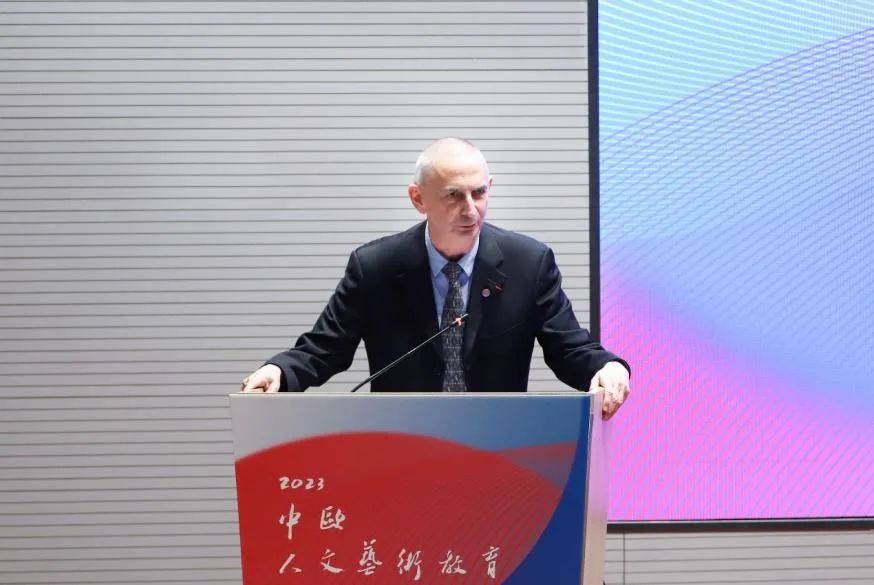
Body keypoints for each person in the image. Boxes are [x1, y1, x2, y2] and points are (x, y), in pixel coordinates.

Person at [241, 138, 630, 419]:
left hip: (499, 446)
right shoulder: (375, 267)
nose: (471, 210)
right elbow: (324, 349)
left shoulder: (528, 263)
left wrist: (608, 367)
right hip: (403, 447)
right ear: (418, 199)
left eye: (479, 193)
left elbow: (569, 348)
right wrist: (279, 372)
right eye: (453, 196)